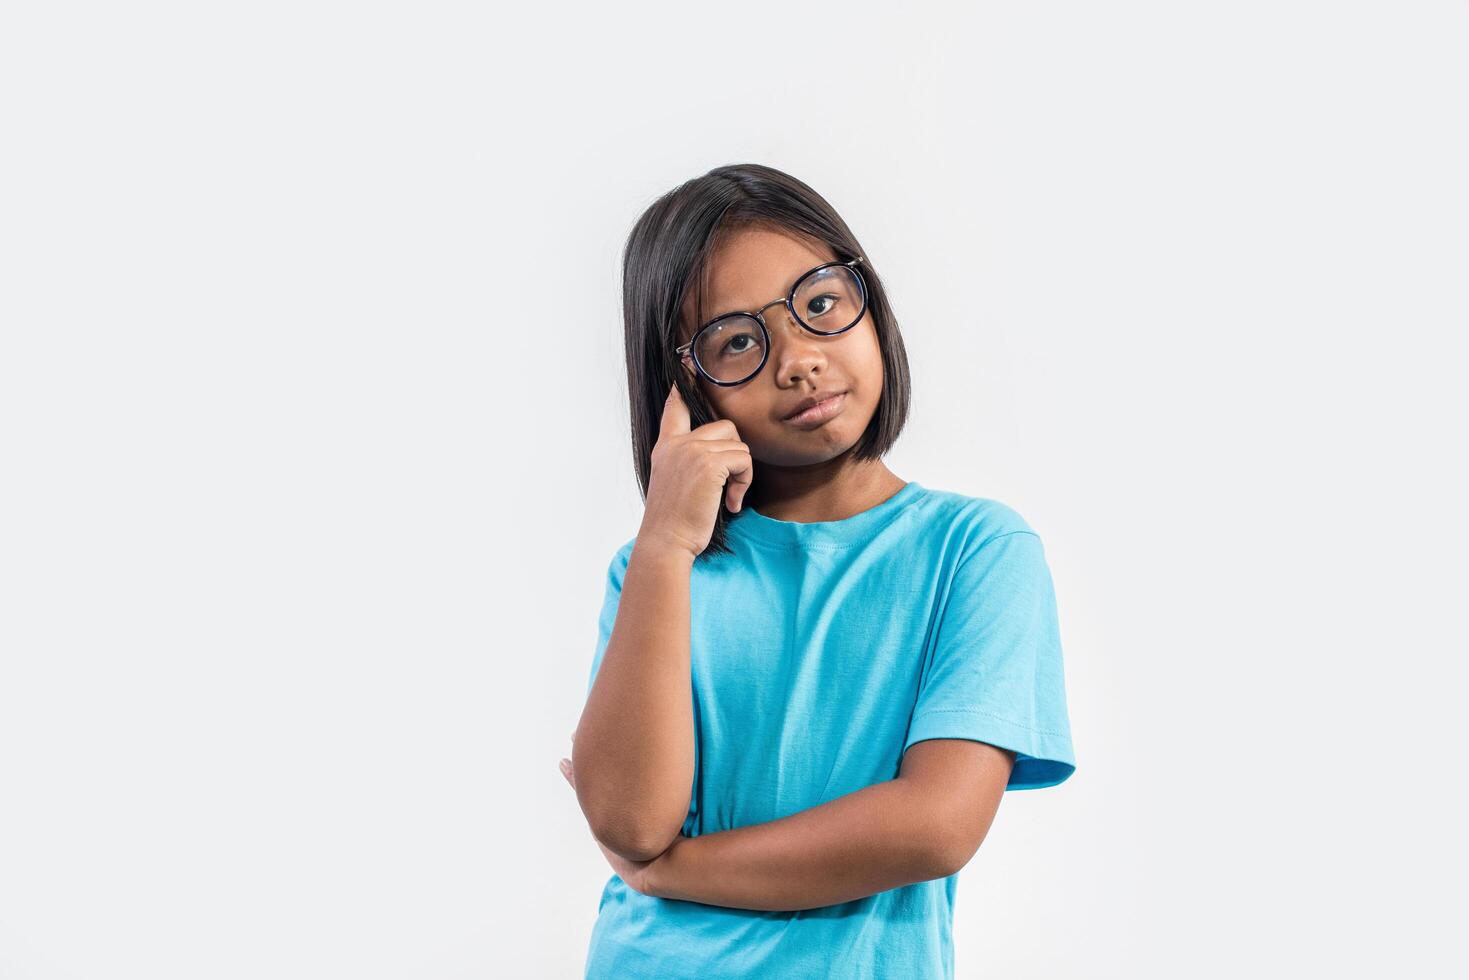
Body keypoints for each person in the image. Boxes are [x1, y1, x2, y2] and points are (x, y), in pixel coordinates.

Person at [560, 163, 1076, 979]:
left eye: (821, 304)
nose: (797, 360)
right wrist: (663, 544)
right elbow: (629, 821)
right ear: (684, 388)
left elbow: (934, 826)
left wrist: (675, 869)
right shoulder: (656, 572)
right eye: (737, 341)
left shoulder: (973, 549)